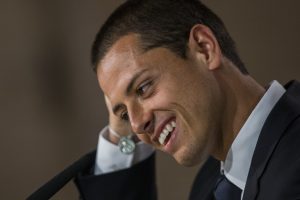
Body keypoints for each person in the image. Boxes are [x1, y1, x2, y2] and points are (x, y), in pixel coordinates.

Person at [28, 0, 300, 199]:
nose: (136, 126)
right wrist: (119, 131)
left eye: (144, 87)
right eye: (123, 113)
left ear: (204, 49)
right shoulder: (208, 184)